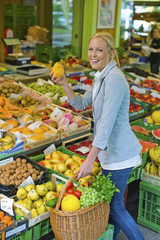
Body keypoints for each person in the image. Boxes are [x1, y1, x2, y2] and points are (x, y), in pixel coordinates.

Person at [51, 32, 145, 240]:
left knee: (115, 207)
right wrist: (65, 83)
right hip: (109, 153)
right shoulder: (101, 76)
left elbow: (106, 124)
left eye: (99, 50)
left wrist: (90, 158)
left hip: (119, 155)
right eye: (91, 49)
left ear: (111, 54)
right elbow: (82, 104)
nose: (93, 54)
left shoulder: (114, 79)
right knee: (111, 205)